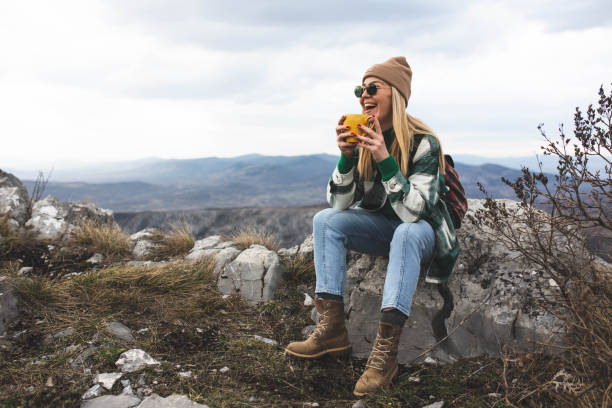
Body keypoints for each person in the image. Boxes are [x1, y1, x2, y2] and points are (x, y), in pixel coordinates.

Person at [284, 56, 460, 397]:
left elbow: (415, 214)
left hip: (421, 232)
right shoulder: (365, 137)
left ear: (396, 94)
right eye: (360, 90)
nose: (364, 95)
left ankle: (384, 357)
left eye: (372, 88)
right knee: (325, 221)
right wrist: (347, 156)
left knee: (407, 233)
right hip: (385, 229)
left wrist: (384, 158)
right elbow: (338, 205)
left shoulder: (424, 143)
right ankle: (332, 329)